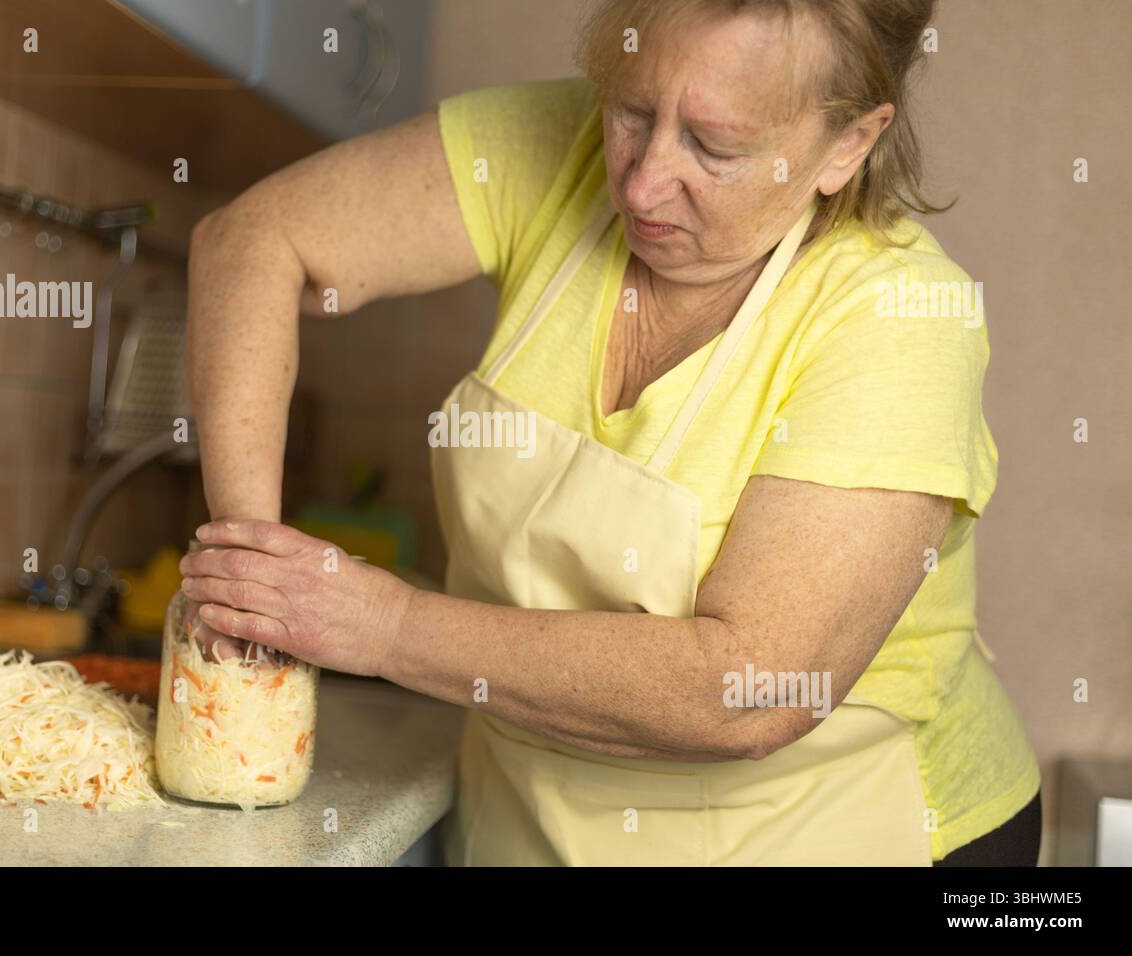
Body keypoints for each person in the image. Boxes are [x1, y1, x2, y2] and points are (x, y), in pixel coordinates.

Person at [180, 0, 1041, 866]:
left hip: (826, 829)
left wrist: (387, 627)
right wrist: (248, 567)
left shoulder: (899, 319)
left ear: (848, 144)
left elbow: (748, 691)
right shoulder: (558, 147)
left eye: (716, 147)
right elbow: (251, 238)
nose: (639, 180)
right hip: (524, 818)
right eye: (631, 109)